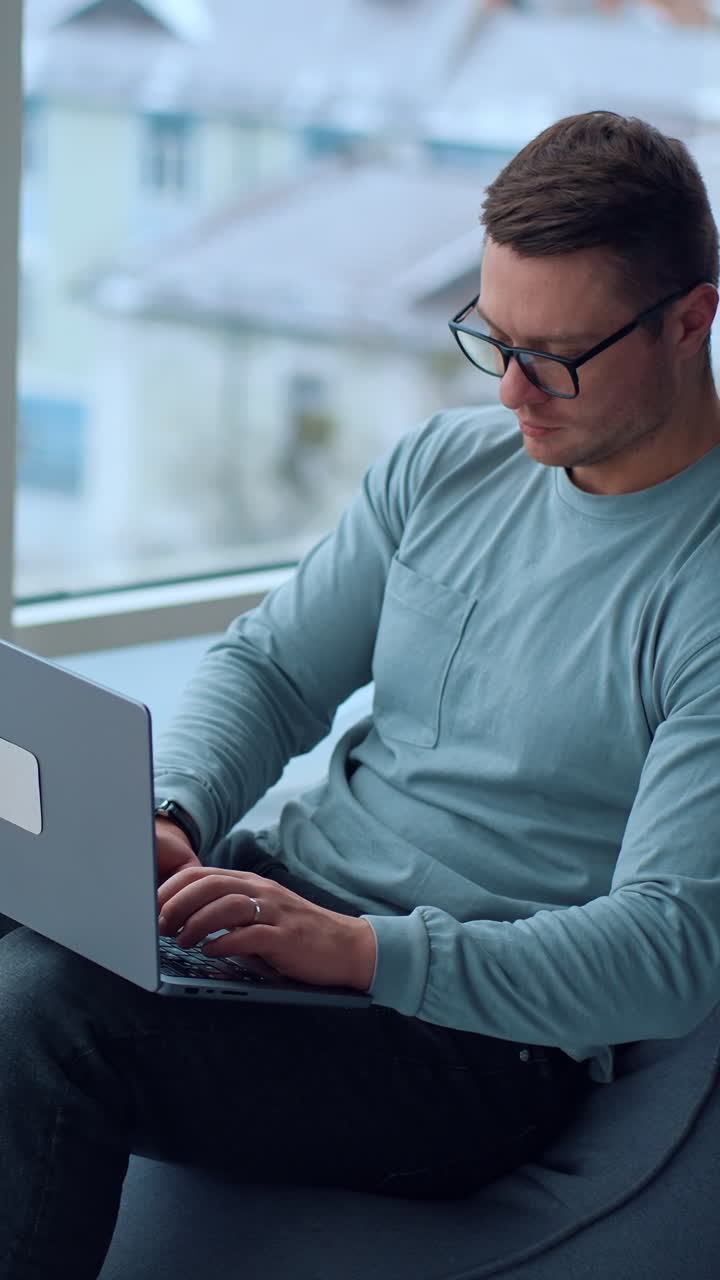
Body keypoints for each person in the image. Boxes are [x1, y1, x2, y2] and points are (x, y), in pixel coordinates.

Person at [3, 108, 720, 1279]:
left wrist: (360, 951)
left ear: (691, 319)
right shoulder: (445, 466)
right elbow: (272, 666)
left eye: (558, 358)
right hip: (275, 910)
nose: (513, 395)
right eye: (494, 340)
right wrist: (174, 817)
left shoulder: (705, 588)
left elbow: (669, 946)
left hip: (466, 1039)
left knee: (47, 1008)